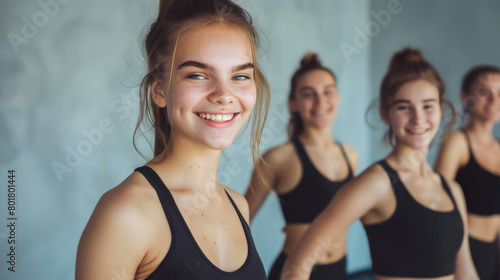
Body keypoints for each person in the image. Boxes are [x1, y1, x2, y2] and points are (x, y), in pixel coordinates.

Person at [75, 0, 270, 279]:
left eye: (239, 76)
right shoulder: (127, 213)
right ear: (159, 91)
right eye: (197, 75)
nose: (224, 94)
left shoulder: (238, 204)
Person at [280, 48, 479, 280]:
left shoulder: (453, 190)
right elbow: (296, 267)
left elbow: (466, 273)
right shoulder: (375, 183)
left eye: (427, 106)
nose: (418, 118)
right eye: (404, 107)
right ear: (386, 114)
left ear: (441, 110)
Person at [245, 53, 358, 279]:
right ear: (293, 103)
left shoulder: (351, 155)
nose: (320, 101)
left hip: (339, 271)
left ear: (338, 96)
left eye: (328, 91)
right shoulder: (279, 157)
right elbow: (241, 219)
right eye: (308, 94)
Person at [435, 65, 500, 280]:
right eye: (484, 92)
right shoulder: (457, 142)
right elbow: (437, 200)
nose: (494, 100)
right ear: (465, 96)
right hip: (468, 249)